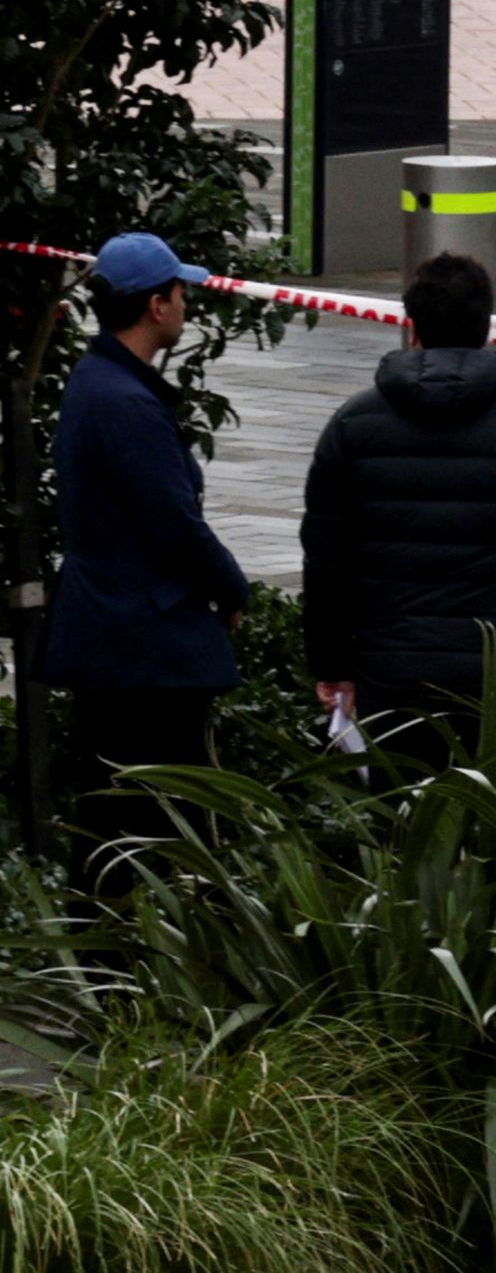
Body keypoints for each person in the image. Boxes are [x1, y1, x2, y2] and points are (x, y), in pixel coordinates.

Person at [301, 252, 496, 754]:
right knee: (495, 819)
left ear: (413, 327)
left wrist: (331, 665)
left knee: (399, 819)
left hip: (390, 674)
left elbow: (324, 561)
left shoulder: (354, 424)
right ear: (488, 325)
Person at [44, 232, 249, 842]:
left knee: (115, 817)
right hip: (144, 649)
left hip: (113, 634)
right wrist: (231, 588)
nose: (186, 302)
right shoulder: (127, 402)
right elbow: (173, 523)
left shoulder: (96, 381)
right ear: (157, 305)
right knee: (158, 824)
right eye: (180, 291)